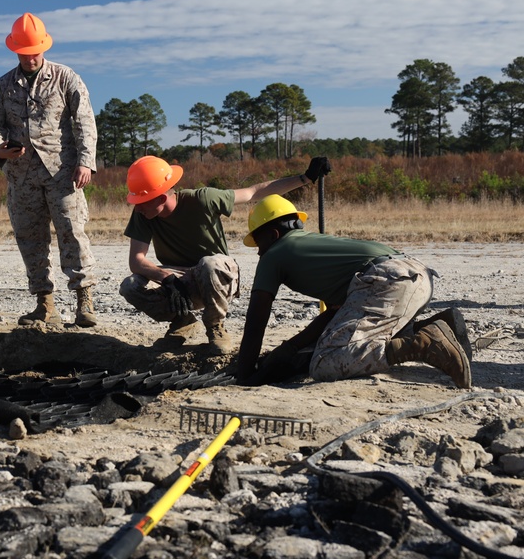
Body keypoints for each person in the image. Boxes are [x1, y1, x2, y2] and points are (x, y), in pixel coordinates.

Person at [235, 194, 471, 388]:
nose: (258, 252)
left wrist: (244, 374)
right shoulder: (314, 250)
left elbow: (256, 322)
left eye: (258, 243)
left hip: (386, 281)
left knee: (323, 361)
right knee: (353, 337)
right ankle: (440, 326)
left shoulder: (273, 255)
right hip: (416, 276)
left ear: (274, 234)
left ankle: (422, 343)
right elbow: (334, 316)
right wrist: (290, 348)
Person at [122, 155, 332, 354]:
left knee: (209, 264)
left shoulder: (203, 199)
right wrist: (166, 278)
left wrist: (305, 178)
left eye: (142, 201)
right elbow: (136, 261)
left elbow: (253, 192)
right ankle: (183, 321)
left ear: (160, 197)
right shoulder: (144, 214)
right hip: (179, 281)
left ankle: (215, 326)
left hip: (217, 275)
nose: (137, 207)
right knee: (130, 286)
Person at [0, 12, 99, 328]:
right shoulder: (2, 86)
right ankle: (44, 304)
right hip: (21, 178)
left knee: (73, 235)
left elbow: (85, 122)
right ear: (15, 51)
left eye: (35, 51)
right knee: (30, 240)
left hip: (63, 174)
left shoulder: (66, 78)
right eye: (24, 52)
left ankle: (84, 302)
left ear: (44, 47)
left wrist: (86, 161)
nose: (30, 57)